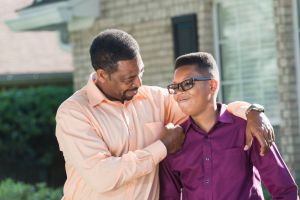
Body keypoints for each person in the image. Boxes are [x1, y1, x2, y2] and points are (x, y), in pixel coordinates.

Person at [55, 29, 274, 200]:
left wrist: (251, 111)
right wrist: (162, 147)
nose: (139, 83)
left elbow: (206, 109)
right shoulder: (74, 113)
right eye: (129, 78)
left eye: (141, 72)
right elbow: (102, 176)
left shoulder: (154, 99)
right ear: (102, 75)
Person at [159, 52, 299, 200]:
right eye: (175, 87)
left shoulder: (247, 128)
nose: (179, 93)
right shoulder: (175, 141)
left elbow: (285, 190)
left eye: (187, 83)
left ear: (212, 85)